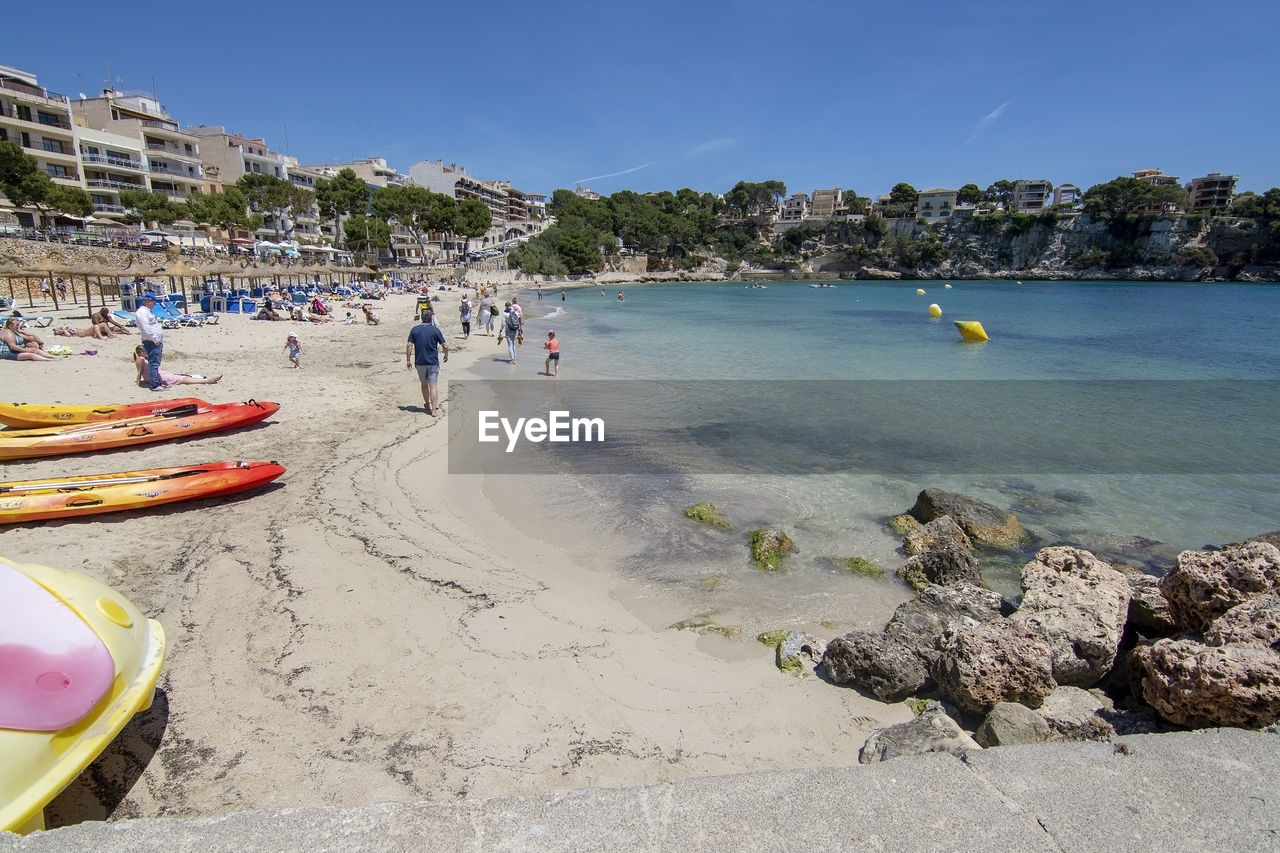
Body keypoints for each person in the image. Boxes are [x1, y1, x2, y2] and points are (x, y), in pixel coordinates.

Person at [406, 309, 449, 416]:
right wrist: (446, 355)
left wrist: (408, 360)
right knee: (433, 385)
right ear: (431, 319)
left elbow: (409, 345)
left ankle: (428, 404)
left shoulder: (414, 330)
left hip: (420, 361)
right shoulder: (435, 330)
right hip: (433, 362)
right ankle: (434, 410)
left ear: (421, 317)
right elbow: (445, 345)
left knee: (424, 384)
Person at [133, 345, 221, 387]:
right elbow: (139, 372)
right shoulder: (140, 359)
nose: (147, 352)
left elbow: (141, 372)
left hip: (154, 376)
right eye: (145, 351)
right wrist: (138, 382)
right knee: (182, 379)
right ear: (141, 352)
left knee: (182, 378)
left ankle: (205, 380)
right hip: (155, 377)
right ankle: (207, 381)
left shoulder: (141, 359)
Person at [135, 293, 166, 391]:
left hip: (154, 341)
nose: (154, 305)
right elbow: (146, 328)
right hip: (151, 341)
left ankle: (156, 382)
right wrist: (155, 339)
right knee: (153, 363)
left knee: (155, 363)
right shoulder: (142, 312)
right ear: (148, 301)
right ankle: (155, 384)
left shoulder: (146, 312)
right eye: (153, 302)